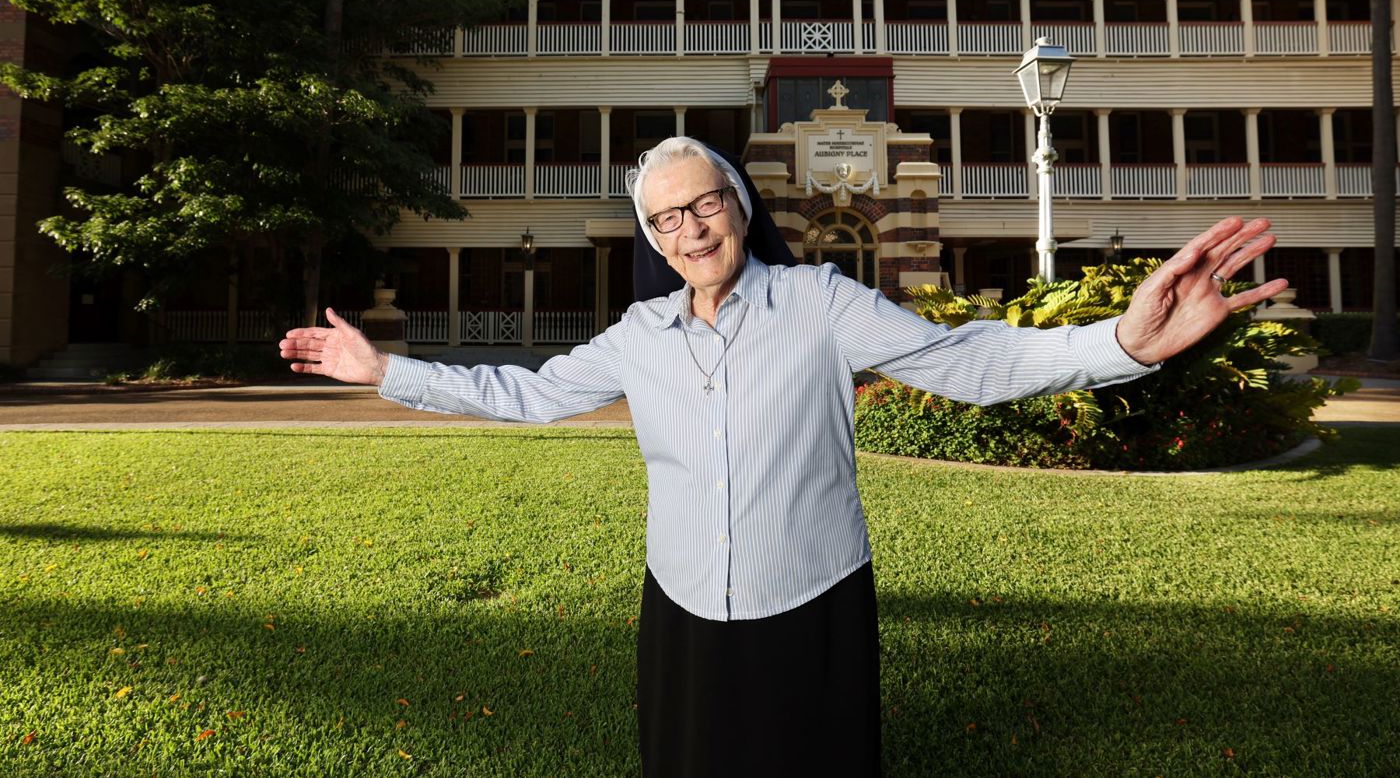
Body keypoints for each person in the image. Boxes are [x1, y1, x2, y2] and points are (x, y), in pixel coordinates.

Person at [278, 137, 1286, 778]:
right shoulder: (636, 336)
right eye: (665, 218)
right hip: (682, 607)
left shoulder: (820, 304)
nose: (689, 229)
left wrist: (1122, 343)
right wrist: (383, 370)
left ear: (737, 205)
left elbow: (966, 362)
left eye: (704, 204)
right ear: (652, 238)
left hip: (811, 600)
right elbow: (527, 393)